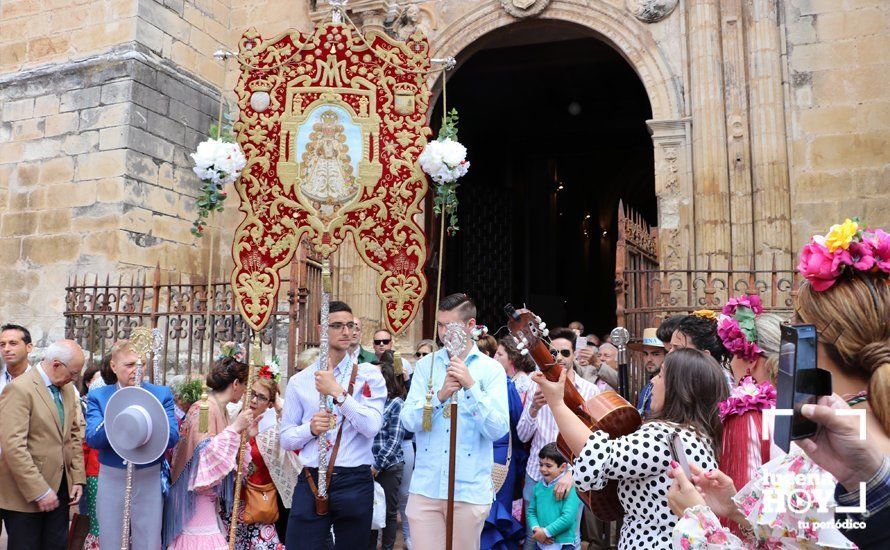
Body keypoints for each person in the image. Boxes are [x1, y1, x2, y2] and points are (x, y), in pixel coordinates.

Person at [533, 348, 728, 549]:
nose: (652, 381)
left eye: (660, 376)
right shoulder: (699, 434)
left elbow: (596, 455)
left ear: (679, 389)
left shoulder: (663, 436)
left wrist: (556, 403)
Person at [400, 293, 509, 550]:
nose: (443, 332)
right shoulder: (426, 365)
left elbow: (497, 428)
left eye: (451, 325)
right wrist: (440, 396)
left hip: (468, 488)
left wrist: (470, 386)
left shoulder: (490, 370)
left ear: (470, 326)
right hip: (426, 486)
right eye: (440, 325)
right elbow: (407, 420)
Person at [279, 300, 386, 549]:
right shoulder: (300, 380)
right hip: (311, 478)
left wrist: (339, 394)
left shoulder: (369, 374)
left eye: (350, 325)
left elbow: (371, 426)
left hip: (355, 478)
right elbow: (286, 438)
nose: (346, 331)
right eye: (337, 325)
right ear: (321, 330)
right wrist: (311, 428)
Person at [84, 340, 179, 550]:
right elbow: (92, 438)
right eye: (129, 365)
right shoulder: (100, 396)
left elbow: (172, 437)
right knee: (110, 539)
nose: (137, 370)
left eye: (141, 364)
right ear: (114, 366)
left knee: (148, 539)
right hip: (112, 474)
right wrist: (119, 413)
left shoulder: (160, 393)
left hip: (148, 474)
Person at [517, 328, 599, 550]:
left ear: (574, 355)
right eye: (553, 353)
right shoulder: (536, 385)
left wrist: (572, 474)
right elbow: (522, 434)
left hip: (572, 475)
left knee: (566, 538)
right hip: (537, 473)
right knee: (532, 537)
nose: (559, 358)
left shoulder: (589, 391)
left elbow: (595, 442)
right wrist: (534, 407)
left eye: (565, 352)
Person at [0, 340, 87, 550]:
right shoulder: (20, 389)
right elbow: (13, 447)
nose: (74, 378)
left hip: (60, 490)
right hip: (26, 495)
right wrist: (39, 490)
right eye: (73, 373)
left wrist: (77, 477)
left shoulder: (65, 389)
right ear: (56, 364)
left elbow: (73, 435)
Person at [164, 353, 256, 548]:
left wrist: (244, 434)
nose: (246, 392)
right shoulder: (204, 408)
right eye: (246, 386)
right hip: (194, 495)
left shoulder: (221, 409)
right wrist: (235, 429)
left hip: (208, 496)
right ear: (236, 383)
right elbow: (203, 455)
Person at [714, 295, 785, 499]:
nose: (731, 364)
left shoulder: (747, 413)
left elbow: (744, 498)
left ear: (751, 360)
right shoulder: (806, 403)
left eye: (733, 356)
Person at [229, 372, 298, 550]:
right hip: (237, 500)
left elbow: (293, 445)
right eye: (252, 393)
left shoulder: (274, 427)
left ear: (269, 403)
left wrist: (279, 406)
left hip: (263, 502)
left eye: (261, 397)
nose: (254, 400)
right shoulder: (231, 415)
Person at [481, 360, 527, 550]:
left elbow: (517, 421)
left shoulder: (506, 385)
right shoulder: (505, 384)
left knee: (494, 508)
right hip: (493, 451)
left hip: (500, 453)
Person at [370, 357, 406, 550]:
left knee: (389, 513)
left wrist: (377, 465)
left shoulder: (396, 404)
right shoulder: (368, 403)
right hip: (368, 465)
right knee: (370, 510)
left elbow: (394, 440)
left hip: (389, 466)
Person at [526, 443, 582, 550]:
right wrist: (537, 530)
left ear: (562, 467)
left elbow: (568, 518)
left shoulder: (570, 488)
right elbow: (531, 512)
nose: (543, 469)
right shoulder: (538, 487)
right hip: (541, 543)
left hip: (563, 544)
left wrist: (546, 532)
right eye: (541, 464)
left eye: (548, 465)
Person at [79, 363, 105, 550]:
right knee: (97, 523)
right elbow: (86, 447)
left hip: (98, 472)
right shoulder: (94, 418)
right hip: (96, 473)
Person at [628, 327, 667, 417]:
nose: (649, 359)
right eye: (645, 354)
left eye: (655, 354)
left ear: (667, 355)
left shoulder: (671, 387)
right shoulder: (647, 386)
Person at [494, 336, 535, 405]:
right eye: (496, 353)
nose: (495, 357)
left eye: (500, 354)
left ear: (512, 358)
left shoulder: (521, 380)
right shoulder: (503, 376)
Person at [0, 323, 33, 396]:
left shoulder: (41, 379)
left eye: (13, 343)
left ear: (29, 347)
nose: (6, 349)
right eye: (2, 344)